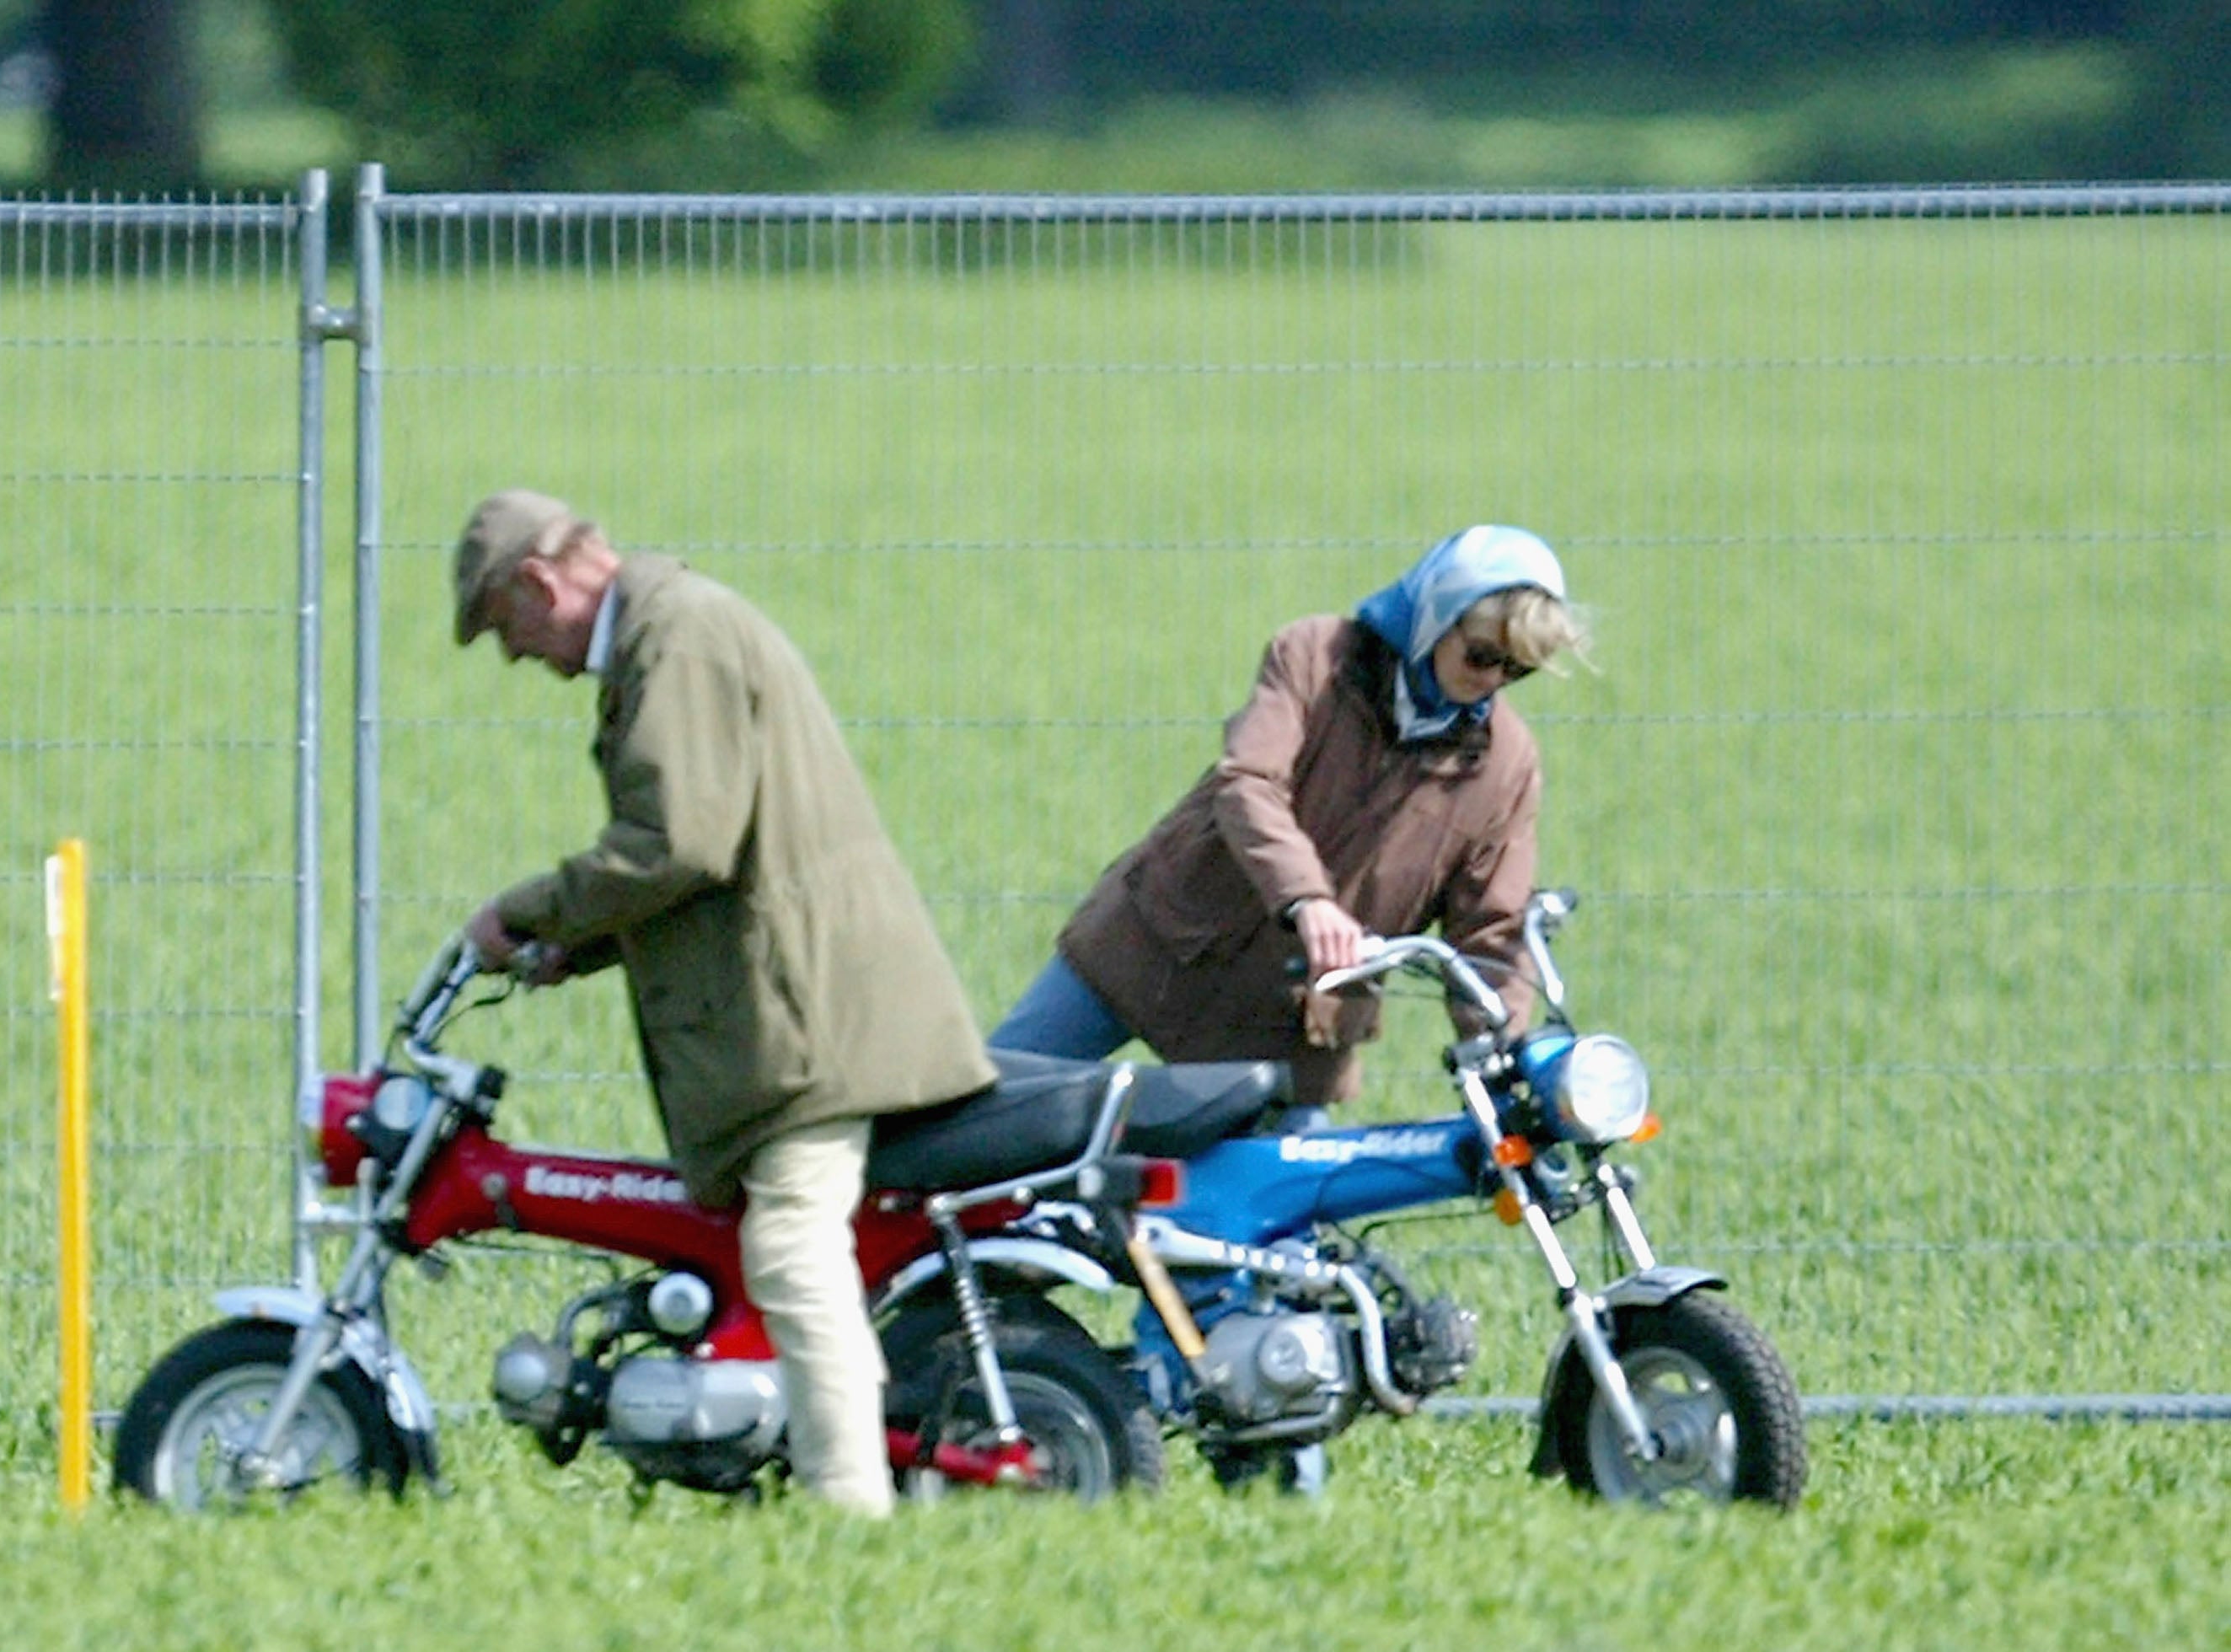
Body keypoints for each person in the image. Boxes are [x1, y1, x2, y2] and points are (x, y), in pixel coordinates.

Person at [451, 490, 995, 1518]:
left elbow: (681, 841)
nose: (513, 656)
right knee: (781, 1250)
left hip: (810, 1022)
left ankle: (850, 1513)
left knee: (792, 1250)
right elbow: (707, 852)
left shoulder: (678, 637)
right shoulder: (675, 628)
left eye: (503, 627)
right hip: (801, 1006)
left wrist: (527, 912)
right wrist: (580, 943)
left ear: (541, 582)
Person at [991, 523, 1591, 1113]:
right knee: (981, 1118)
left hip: (1291, 1024)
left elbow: (1492, 931)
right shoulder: (1314, 656)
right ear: (1436, 614)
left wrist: (1498, 1060)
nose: (1490, 682)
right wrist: (1310, 900)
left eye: (1517, 670)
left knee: (1286, 1208)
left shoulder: (1505, 763)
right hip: (1159, 942)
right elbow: (1248, 781)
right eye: (1483, 656)